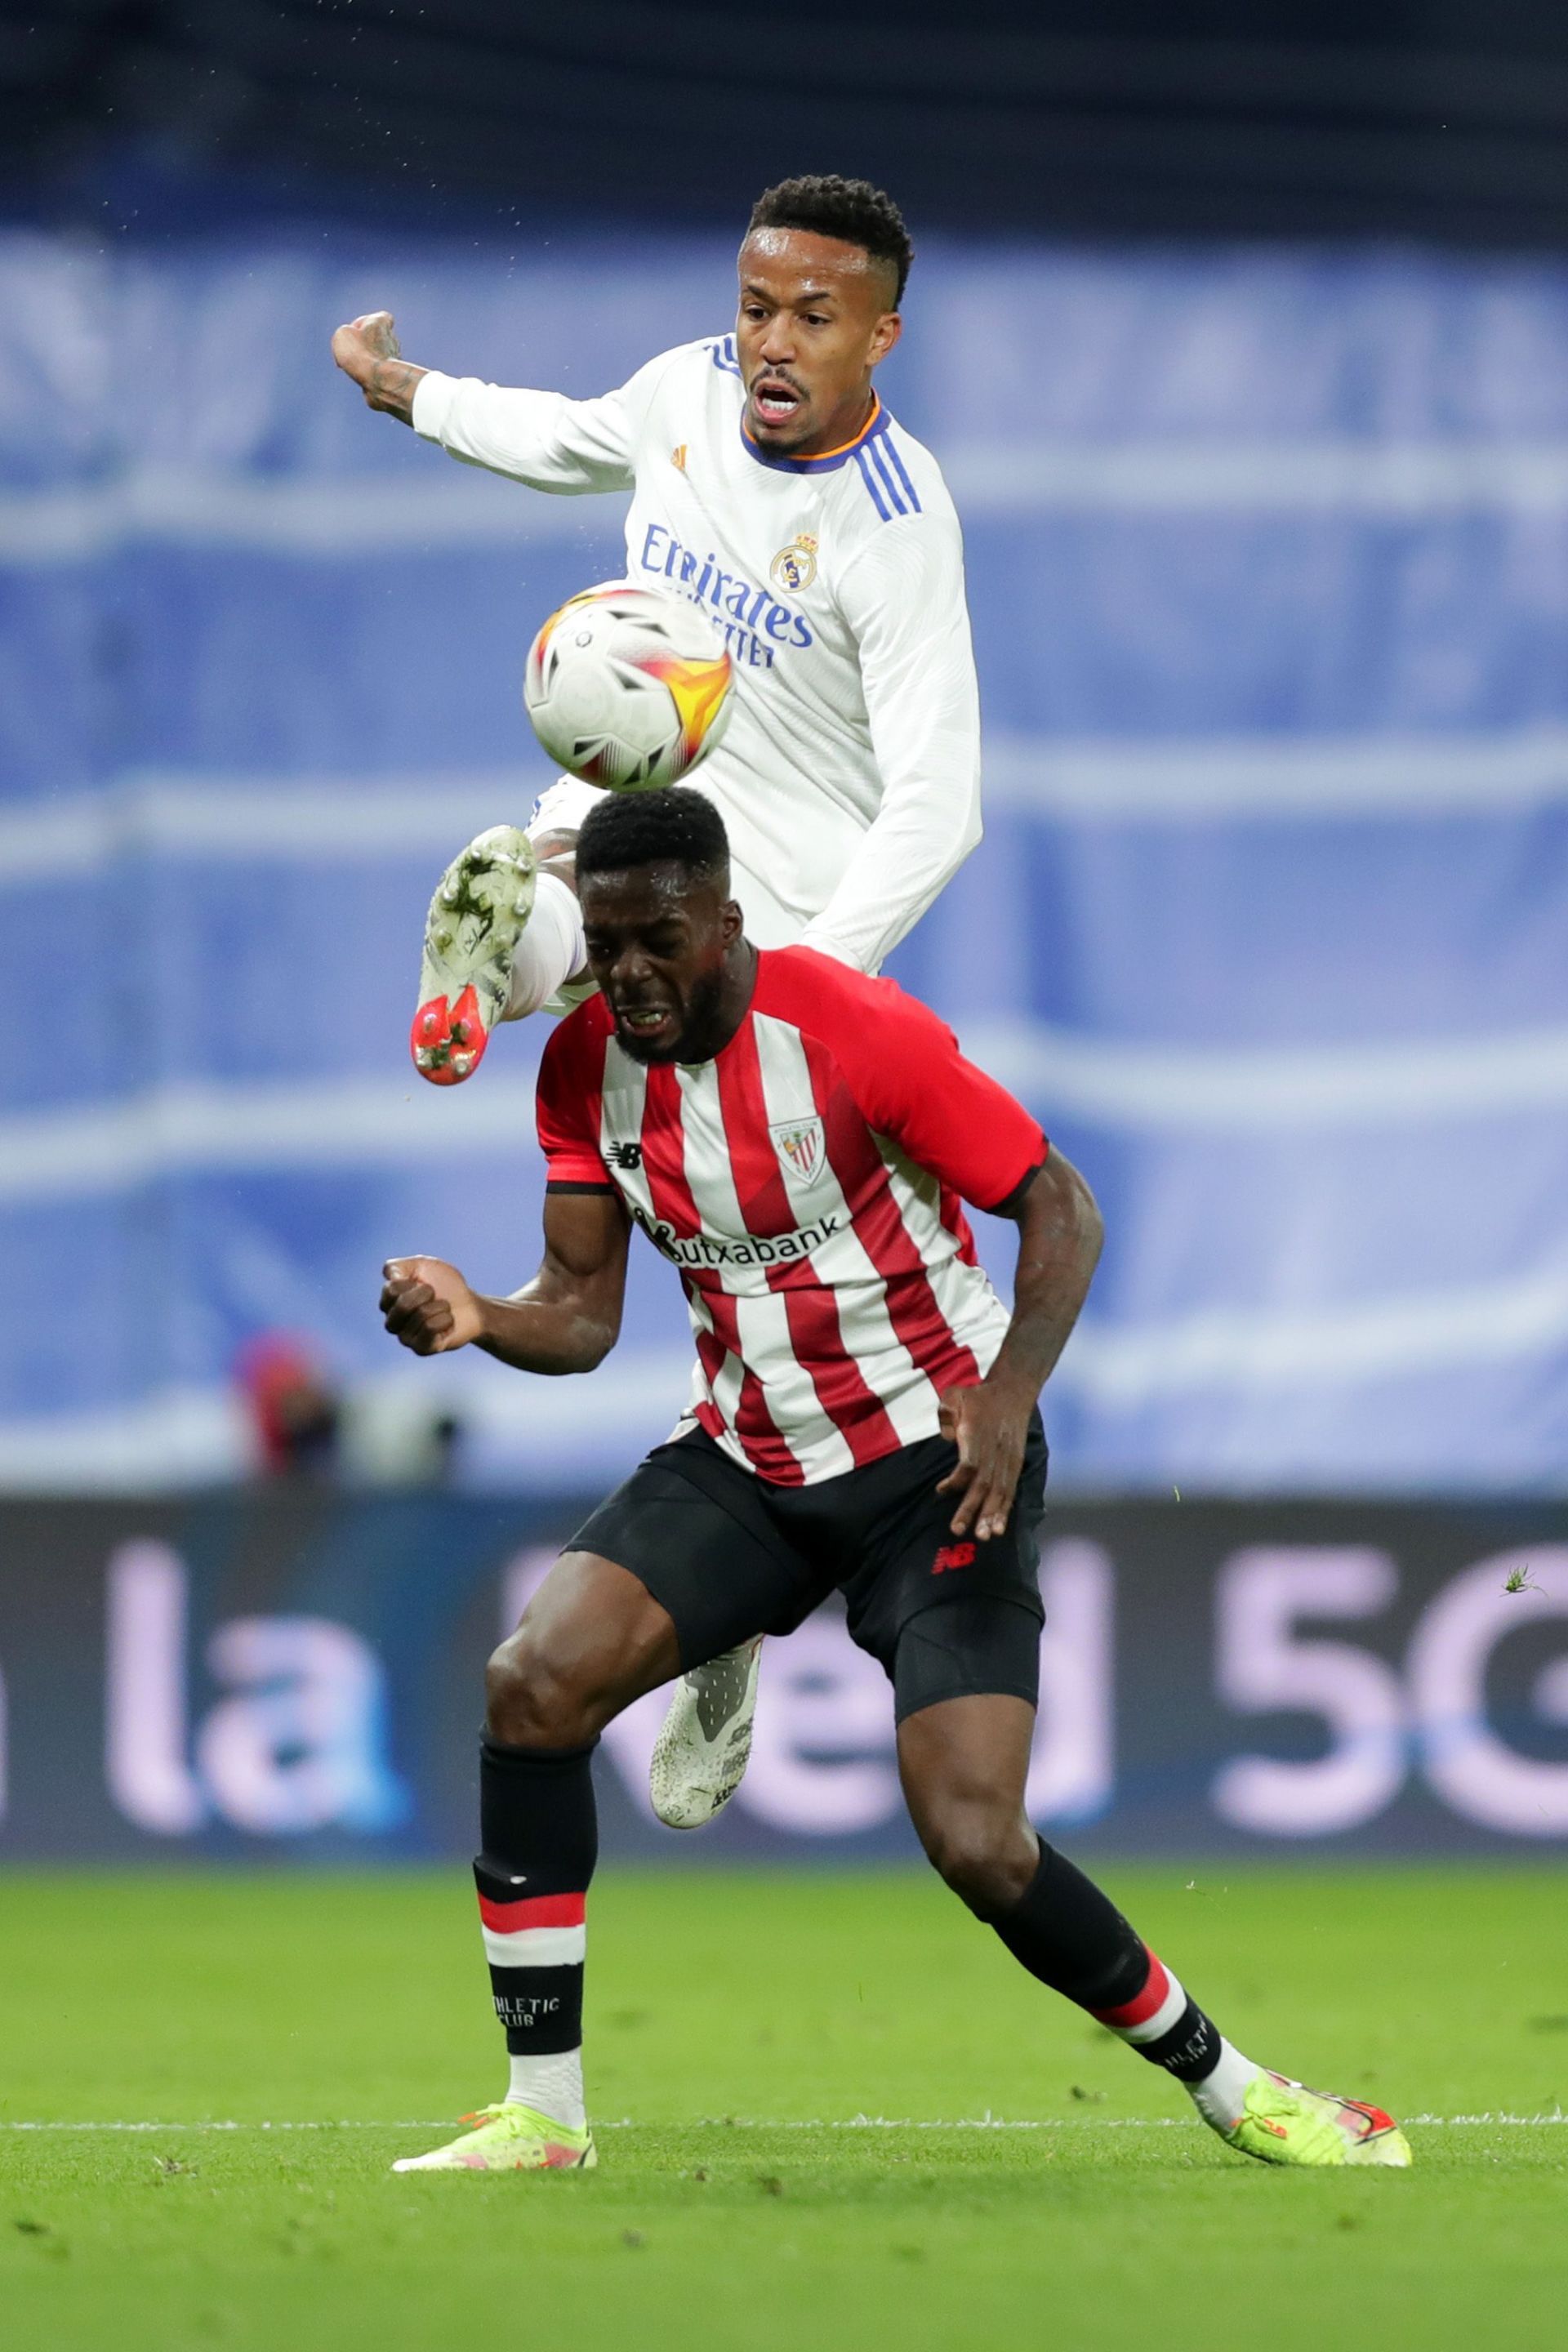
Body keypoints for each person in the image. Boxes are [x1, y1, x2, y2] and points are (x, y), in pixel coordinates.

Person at [376, 789, 1411, 2177]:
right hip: (748, 1461)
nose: (626, 977)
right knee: (530, 1684)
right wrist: (476, 1317)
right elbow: (577, 1310)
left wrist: (1010, 1399)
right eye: (604, 946)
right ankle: (543, 2119)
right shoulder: (581, 1067)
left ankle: (1237, 2086)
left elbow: (1060, 1203)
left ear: (727, 925)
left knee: (978, 1838)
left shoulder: (855, 1031)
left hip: (939, 1467)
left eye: (656, 942)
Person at [332, 172, 983, 1829]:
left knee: (769, 1302)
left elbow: (940, 799)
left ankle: (726, 1631)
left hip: (783, 944)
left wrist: (824, 986)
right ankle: (500, 960)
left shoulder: (899, 528)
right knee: (556, 887)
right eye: (759, 305)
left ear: (880, 337)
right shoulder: (684, 390)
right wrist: (415, 396)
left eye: (813, 319)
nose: (771, 341)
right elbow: (561, 437)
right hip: (642, 864)